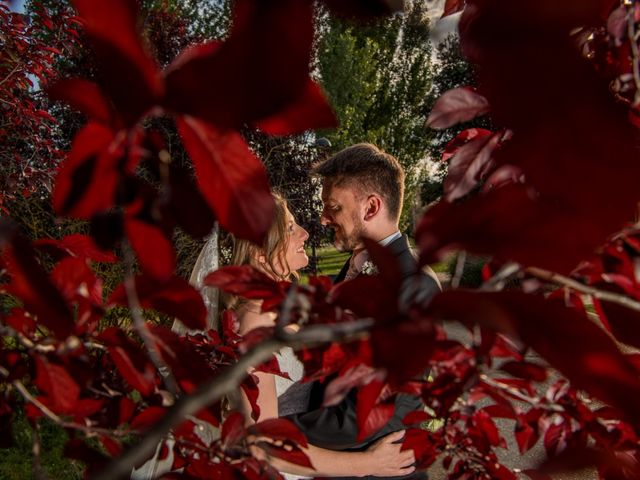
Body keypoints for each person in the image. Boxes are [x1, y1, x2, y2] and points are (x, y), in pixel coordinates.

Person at [229, 192, 417, 479]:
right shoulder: (255, 326)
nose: (304, 233)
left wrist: (354, 274)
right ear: (260, 253)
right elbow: (261, 443)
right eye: (290, 228)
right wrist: (370, 464)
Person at [286, 143, 441, 479]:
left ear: (371, 207)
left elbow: (368, 414)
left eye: (333, 208)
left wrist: (271, 432)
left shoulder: (414, 288)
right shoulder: (353, 267)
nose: (324, 218)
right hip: (338, 458)